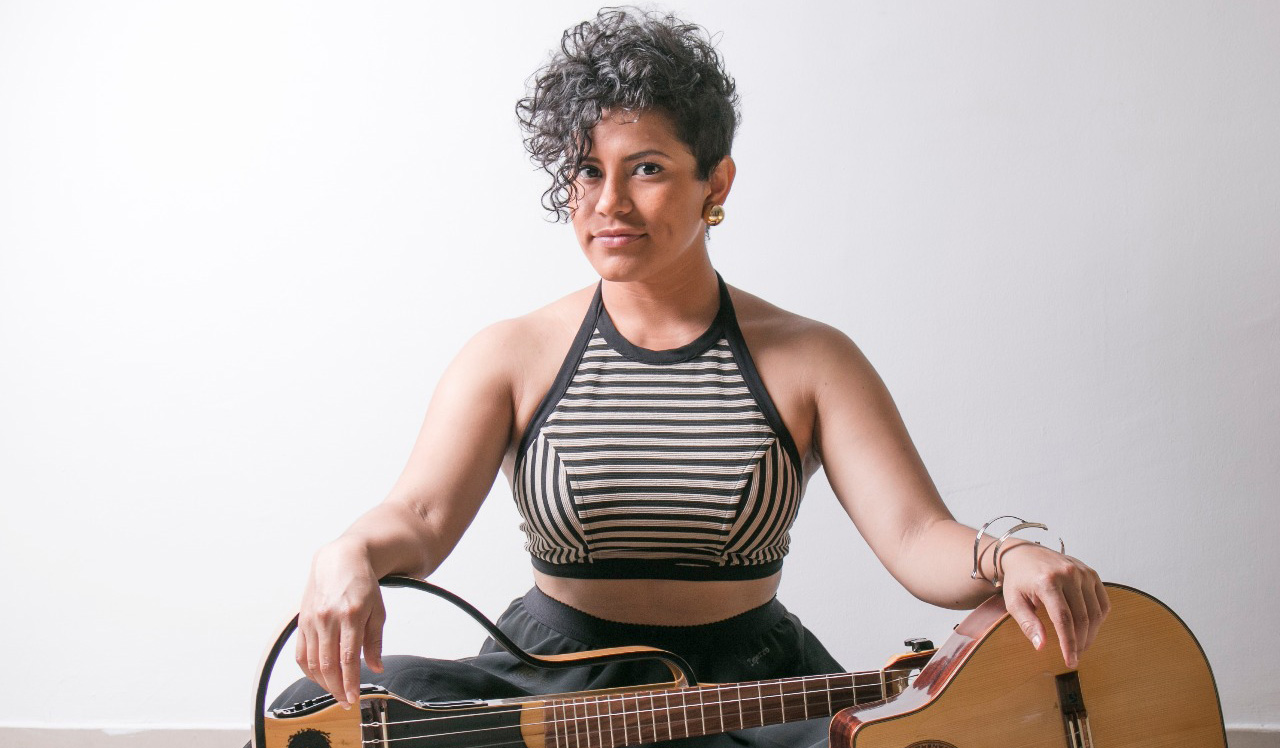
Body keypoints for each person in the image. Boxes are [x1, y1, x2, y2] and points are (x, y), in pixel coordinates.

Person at [277, 8, 1109, 747]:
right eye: (585, 171)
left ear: (717, 181)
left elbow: (916, 536)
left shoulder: (813, 359)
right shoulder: (512, 354)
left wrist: (1011, 557)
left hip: (752, 694)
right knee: (314, 711)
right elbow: (419, 516)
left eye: (646, 168)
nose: (608, 203)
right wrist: (347, 551)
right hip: (558, 691)